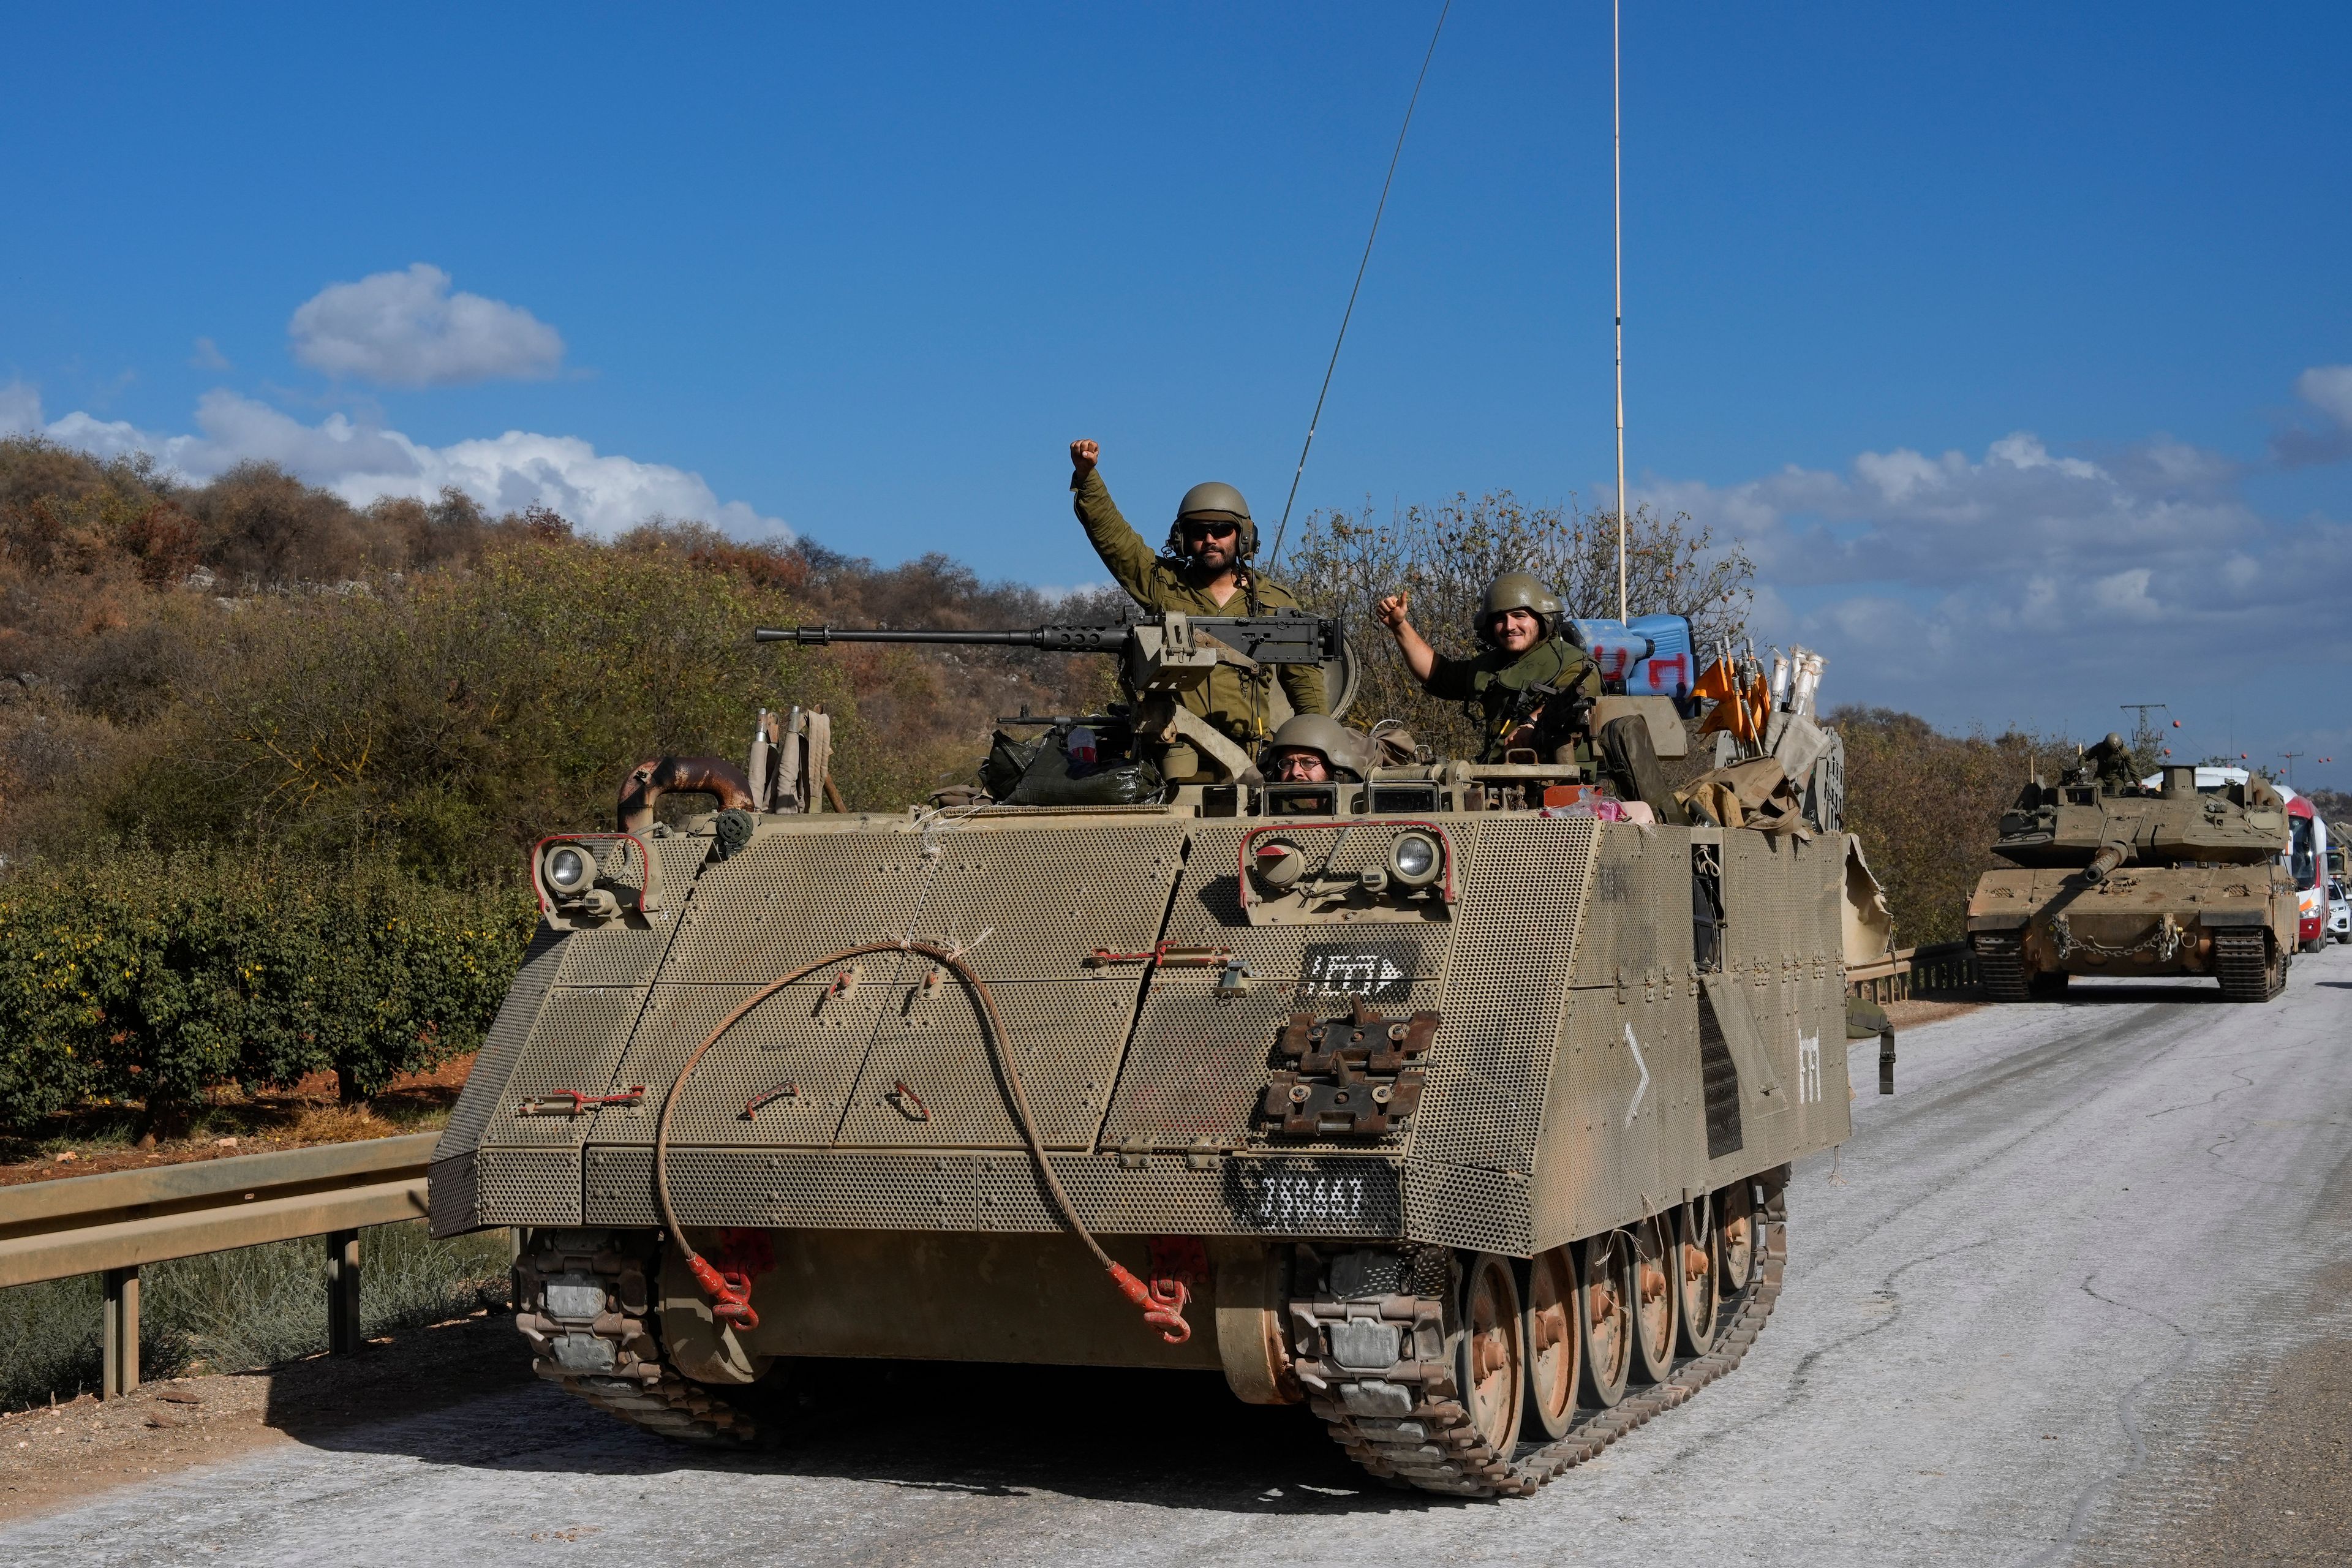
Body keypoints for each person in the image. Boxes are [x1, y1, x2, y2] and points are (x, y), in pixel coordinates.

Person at [1069, 440, 1325, 754]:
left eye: (1221, 529)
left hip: (1250, 758)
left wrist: (1316, 752)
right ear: (1182, 539)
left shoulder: (1274, 603)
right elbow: (1115, 541)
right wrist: (1087, 477)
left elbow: (1306, 689)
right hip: (1173, 753)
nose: (1209, 539)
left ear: (1244, 536)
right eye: (1198, 531)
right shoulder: (1164, 586)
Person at [1373, 572, 1600, 764]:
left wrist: (1531, 723)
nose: (1510, 626)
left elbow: (1573, 698)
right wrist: (1400, 627)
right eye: (1501, 619)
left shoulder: (1573, 662)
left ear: (1542, 619)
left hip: (1562, 786)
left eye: (1520, 616)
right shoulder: (1490, 666)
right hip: (1500, 780)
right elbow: (1438, 675)